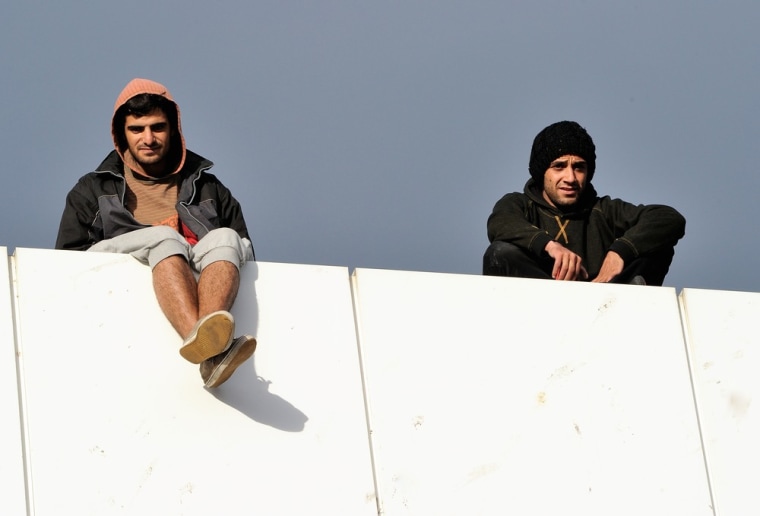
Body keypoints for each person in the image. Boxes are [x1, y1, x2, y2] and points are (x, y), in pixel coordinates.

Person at [56, 78, 257, 388]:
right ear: (121, 134)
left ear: (173, 128)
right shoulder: (93, 189)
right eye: (137, 129)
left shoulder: (208, 187)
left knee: (227, 237)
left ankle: (209, 346)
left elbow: (246, 248)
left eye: (157, 127)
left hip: (190, 263)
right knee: (163, 238)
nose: (148, 138)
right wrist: (162, 235)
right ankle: (210, 351)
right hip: (110, 267)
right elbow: (66, 259)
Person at [483, 120, 685, 286]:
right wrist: (549, 245)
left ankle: (630, 295)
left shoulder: (604, 211)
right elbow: (500, 222)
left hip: (606, 301)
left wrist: (619, 252)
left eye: (579, 167)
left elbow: (669, 218)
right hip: (541, 305)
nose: (570, 177)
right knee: (501, 252)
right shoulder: (519, 204)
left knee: (655, 244)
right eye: (559, 166)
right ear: (541, 172)